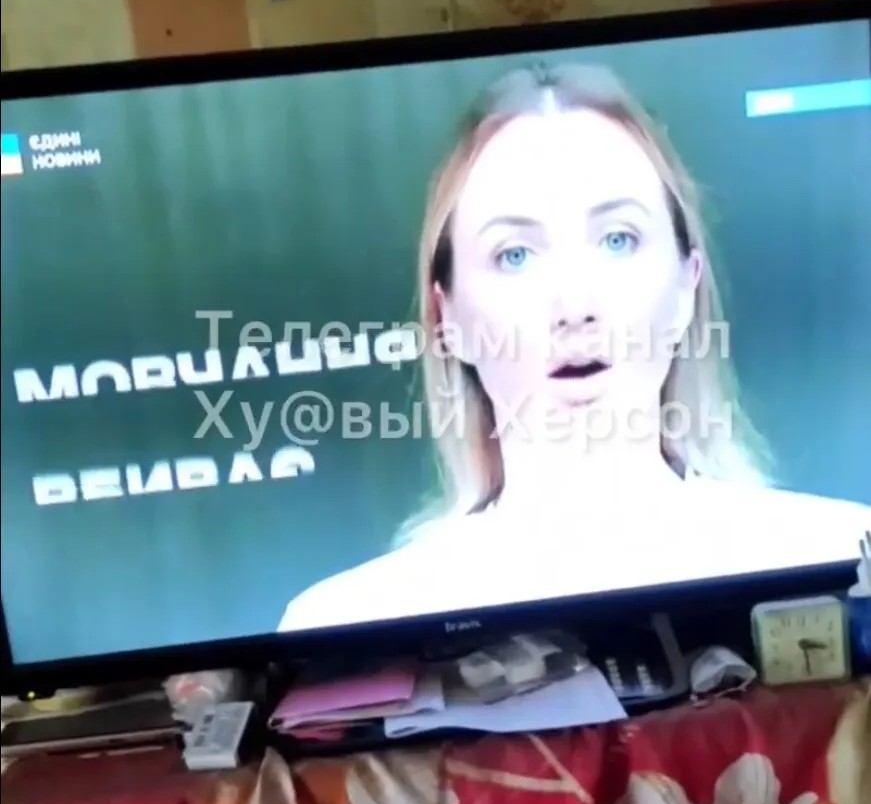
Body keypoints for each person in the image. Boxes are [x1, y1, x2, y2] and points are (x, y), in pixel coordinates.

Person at [277, 64, 869, 633]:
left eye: (618, 240)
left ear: (687, 285)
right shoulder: (345, 620)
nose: (574, 305)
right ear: (447, 316)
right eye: (514, 255)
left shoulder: (842, 554)